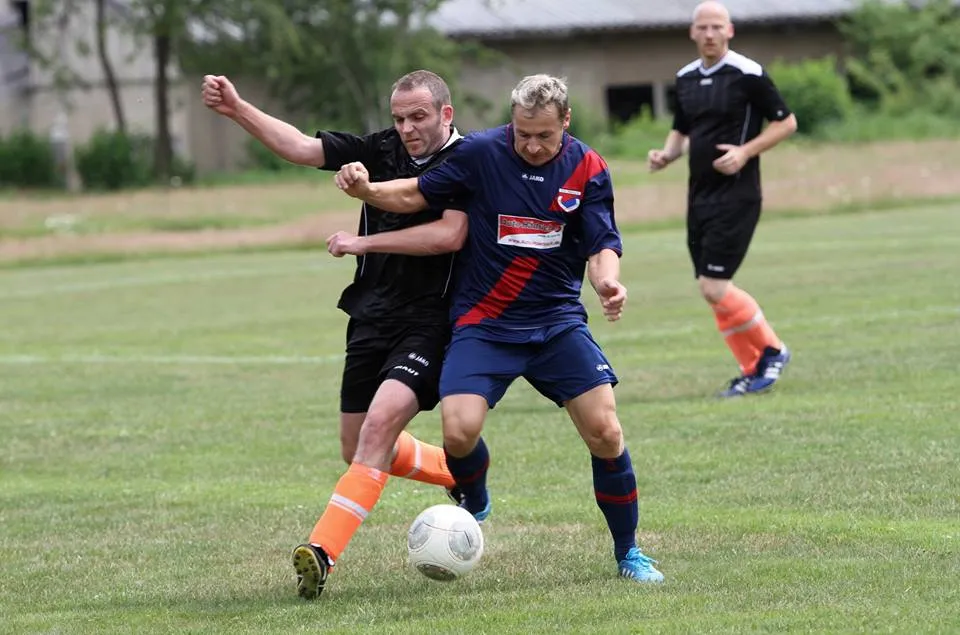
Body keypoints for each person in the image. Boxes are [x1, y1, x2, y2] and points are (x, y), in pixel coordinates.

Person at [333, 74, 665, 584]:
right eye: (523, 133)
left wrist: (607, 282)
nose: (531, 145)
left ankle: (629, 553)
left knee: (605, 432)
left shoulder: (588, 167)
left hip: (555, 323)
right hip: (484, 323)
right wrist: (367, 190)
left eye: (544, 136)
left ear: (566, 122)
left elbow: (602, 242)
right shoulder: (482, 153)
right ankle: (475, 492)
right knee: (458, 431)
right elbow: (416, 194)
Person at [202, 69, 480, 600]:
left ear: (446, 114)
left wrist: (363, 242)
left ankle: (322, 552)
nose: (407, 128)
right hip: (371, 316)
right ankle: (456, 470)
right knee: (356, 447)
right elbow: (300, 147)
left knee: (378, 429)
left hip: (431, 320)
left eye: (418, 117)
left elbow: (449, 235)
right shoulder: (381, 148)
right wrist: (238, 109)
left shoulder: (468, 160)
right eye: (399, 118)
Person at [647, 1, 798, 397]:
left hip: (737, 195)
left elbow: (786, 122)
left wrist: (746, 152)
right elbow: (682, 130)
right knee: (709, 289)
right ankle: (752, 370)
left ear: (730, 31)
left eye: (717, 26)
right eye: (703, 27)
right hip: (699, 196)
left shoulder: (748, 73)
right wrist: (666, 155)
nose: (710, 33)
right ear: (692, 32)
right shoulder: (685, 78)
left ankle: (773, 350)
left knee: (715, 287)